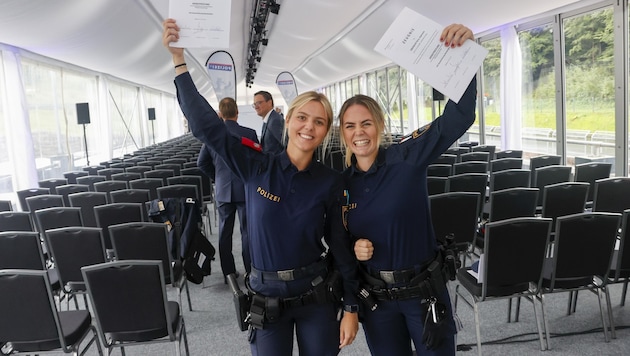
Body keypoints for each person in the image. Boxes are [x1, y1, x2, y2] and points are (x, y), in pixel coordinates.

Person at [163, 19, 359, 356]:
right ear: (290, 120)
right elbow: (207, 128)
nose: (309, 127)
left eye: (319, 122)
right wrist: (179, 61)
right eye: (303, 117)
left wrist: (352, 306)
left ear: (326, 131)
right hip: (266, 296)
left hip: (316, 295)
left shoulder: (330, 181)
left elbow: (339, 244)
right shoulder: (256, 166)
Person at [339, 24, 477, 356]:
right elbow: (335, 240)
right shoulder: (340, 185)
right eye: (350, 126)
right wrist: (353, 244)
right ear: (343, 134)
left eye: (366, 123)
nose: (360, 133)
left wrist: (466, 59)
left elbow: (458, 118)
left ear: (379, 125)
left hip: (423, 293)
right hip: (378, 302)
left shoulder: (407, 157)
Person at [197, 97, 259, 281]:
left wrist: (217, 178)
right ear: (237, 112)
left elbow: (202, 163)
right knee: (247, 232)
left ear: (220, 114)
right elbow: (258, 161)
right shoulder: (250, 133)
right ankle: (250, 270)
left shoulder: (213, 136)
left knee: (225, 232)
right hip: (245, 189)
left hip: (223, 190)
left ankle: (228, 272)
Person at [253, 90, 284, 154]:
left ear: (269, 102)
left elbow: (286, 144)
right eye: (254, 104)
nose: (256, 107)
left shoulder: (275, 120)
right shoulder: (269, 120)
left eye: (259, 103)